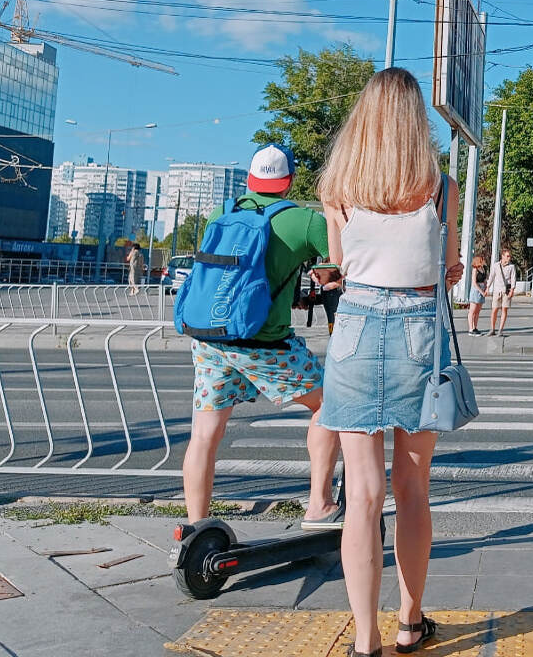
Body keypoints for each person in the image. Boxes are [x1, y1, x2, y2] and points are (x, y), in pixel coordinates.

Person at [317, 67, 463, 657]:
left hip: (353, 330)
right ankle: (409, 623)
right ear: (414, 121)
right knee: (414, 487)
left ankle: (363, 640)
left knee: (363, 493)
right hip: (418, 333)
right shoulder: (441, 186)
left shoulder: (338, 189)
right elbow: (446, 266)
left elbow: (338, 264)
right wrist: (444, 269)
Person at [181, 143, 343, 531]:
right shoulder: (306, 221)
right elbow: (335, 271)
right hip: (264, 342)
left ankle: (195, 528)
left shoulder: (222, 212)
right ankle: (320, 505)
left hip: (211, 338)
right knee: (330, 406)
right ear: (289, 181)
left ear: (250, 179)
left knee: (204, 433)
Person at [487, 249, 517, 336]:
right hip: (497, 290)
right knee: (494, 309)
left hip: (506, 291)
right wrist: (487, 288)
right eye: (507, 256)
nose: (509, 258)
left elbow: (513, 279)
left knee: (504, 309)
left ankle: (500, 330)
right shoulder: (496, 265)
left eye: (509, 256)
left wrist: (512, 290)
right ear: (502, 256)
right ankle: (492, 329)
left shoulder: (512, 266)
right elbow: (491, 276)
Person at [311, 264, 343, 334]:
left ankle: (334, 336)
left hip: (333, 289)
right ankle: (333, 336)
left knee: (333, 318)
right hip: (330, 289)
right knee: (333, 318)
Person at [467, 255, 488, 336]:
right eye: (482, 259)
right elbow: (474, 283)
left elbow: (485, 279)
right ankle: (471, 328)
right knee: (472, 310)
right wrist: (481, 291)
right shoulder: (475, 269)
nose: (483, 260)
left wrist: (486, 289)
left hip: (482, 288)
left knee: (478, 311)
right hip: (476, 290)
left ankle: (475, 327)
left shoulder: (484, 269)